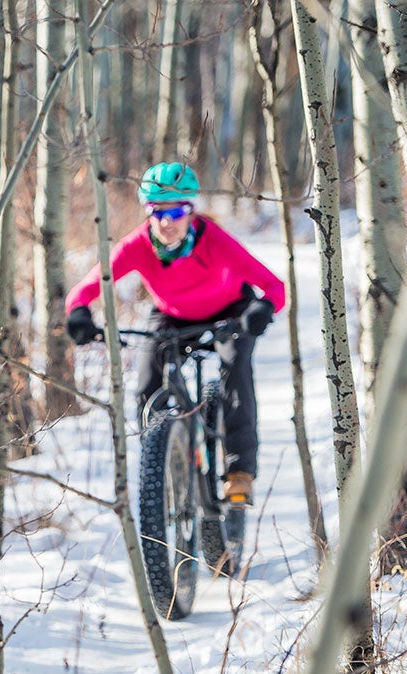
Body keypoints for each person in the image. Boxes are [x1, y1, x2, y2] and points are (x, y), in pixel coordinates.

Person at [63, 162, 286, 503]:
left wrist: (263, 308)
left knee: (235, 371)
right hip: (172, 314)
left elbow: (274, 286)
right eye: (157, 211)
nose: (167, 222)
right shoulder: (137, 245)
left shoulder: (214, 240)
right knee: (147, 383)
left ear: (191, 210)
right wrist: (79, 314)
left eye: (177, 211)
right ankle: (162, 459)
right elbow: (85, 288)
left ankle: (239, 472)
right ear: (148, 211)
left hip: (230, 312)